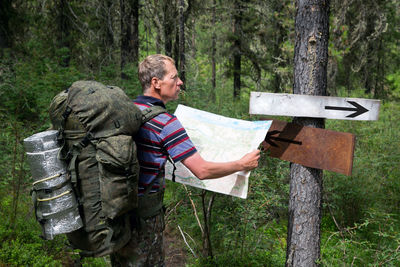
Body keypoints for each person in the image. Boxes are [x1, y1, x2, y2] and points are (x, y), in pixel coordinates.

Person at [110, 54, 260, 266]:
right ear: (156, 83)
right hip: (145, 219)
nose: (180, 82)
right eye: (174, 77)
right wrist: (242, 164)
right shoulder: (166, 122)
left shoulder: (126, 112)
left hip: (118, 211)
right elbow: (202, 170)